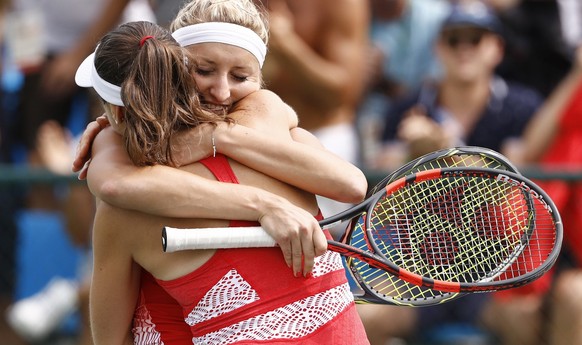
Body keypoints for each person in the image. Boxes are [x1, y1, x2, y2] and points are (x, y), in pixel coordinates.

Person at [80, 20, 369, 344]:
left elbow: (110, 339)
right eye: (206, 71)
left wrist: (109, 139)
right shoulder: (271, 117)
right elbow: (354, 185)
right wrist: (263, 202)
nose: (222, 91)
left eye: (240, 75)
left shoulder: (121, 211)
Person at [360, 2, 545, 344]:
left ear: (497, 49)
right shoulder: (405, 108)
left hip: (499, 275)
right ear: (437, 47)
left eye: (475, 39)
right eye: (453, 39)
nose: (463, 49)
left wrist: (439, 149)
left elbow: (512, 191)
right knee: (357, 317)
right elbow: (382, 207)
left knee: (536, 325)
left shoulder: (523, 106)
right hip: (417, 271)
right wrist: (417, 154)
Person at [481, 45, 582, 345]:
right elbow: (526, 153)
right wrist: (578, 73)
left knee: (574, 297)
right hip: (547, 267)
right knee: (514, 312)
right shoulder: (570, 111)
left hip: (568, 281)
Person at [251, 0, 370, 234]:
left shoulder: (341, 5)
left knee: (318, 238)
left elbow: (343, 93)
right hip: (255, 137)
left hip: (322, 137)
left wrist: (285, 45)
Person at [358, 0, 450, 168]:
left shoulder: (436, 16)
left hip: (423, 122)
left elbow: (436, 88)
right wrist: (356, 74)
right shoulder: (351, 13)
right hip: (362, 123)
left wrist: (383, 80)